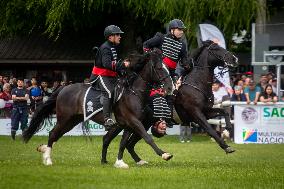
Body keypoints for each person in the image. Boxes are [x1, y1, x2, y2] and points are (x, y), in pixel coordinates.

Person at [143, 19, 190, 126]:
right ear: (172, 30)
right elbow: (146, 45)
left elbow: (184, 61)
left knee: (172, 93)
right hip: (157, 71)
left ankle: (168, 119)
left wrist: (187, 65)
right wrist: (151, 57)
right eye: (179, 29)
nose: (182, 32)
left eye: (182, 30)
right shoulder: (161, 38)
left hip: (171, 73)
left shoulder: (182, 46)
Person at [90, 25, 130, 130]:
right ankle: (107, 119)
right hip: (100, 75)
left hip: (110, 75)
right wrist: (123, 65)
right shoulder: (105, 47)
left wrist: (122, 70)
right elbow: (107, 64)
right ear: (110, 37)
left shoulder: (113, 47)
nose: (119, 36)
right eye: (117, 35)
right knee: (109, 92)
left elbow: (115, 63)